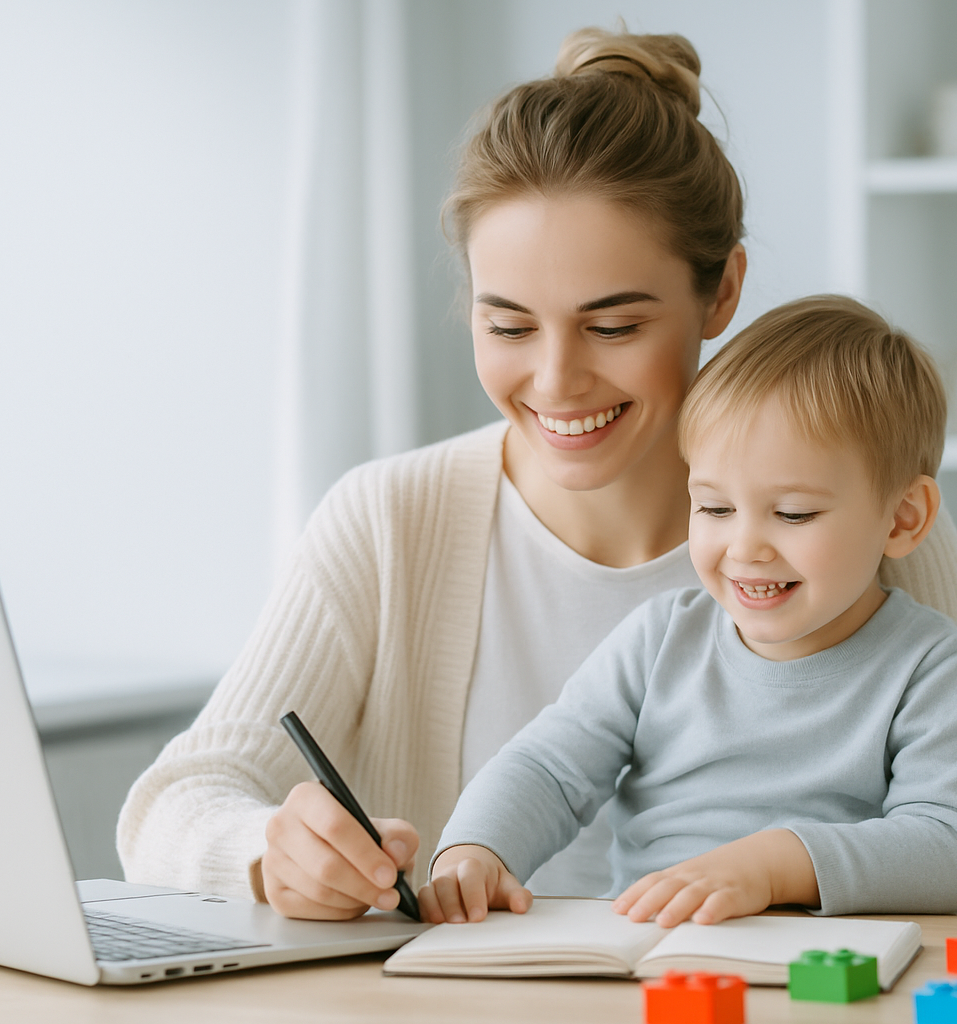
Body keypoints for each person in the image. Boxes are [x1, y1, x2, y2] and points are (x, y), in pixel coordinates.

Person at [116, 27, 957, 920]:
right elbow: (179, 800)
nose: (556, 382)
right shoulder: (393, 522)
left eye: (614, 326)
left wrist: (790, 865)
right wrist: (266, 856)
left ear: (720, 292)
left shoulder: (885, 536)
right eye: (510, 327)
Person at [422, 295, 957, 928]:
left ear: (903, 518)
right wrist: (475, 849)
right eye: (714, 507)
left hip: (823, 967)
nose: (745, 548)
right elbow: (546, 768)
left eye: (792, 514)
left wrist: (771, 864)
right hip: (652, 955)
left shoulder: (929, 667)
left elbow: (943, 841)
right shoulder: (658, 641)